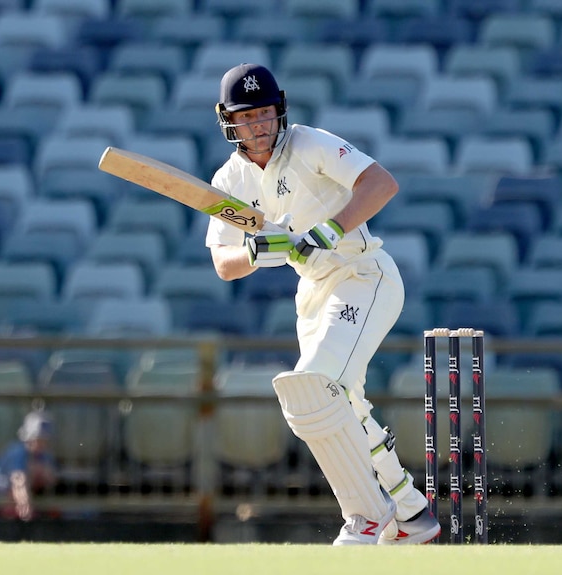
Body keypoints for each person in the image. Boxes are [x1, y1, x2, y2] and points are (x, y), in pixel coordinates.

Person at [205, 63, 440, 546]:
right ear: (229, 121)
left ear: (280, 111)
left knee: (314, 386)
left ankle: (368, 519)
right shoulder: (229, 179)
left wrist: (329, 229)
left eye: (266, 114)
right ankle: (413, 513)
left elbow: (381, 184)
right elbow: (224, 264)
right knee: (341, 401)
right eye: (247, 117)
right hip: (313, 292)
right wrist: (253, 251)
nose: (259, 126)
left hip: (362, 274)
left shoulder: (309, 143)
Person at [0, 410, 57, 521]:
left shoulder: (44, 455)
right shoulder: (18, 452)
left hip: (24, 491)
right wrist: (25, 508)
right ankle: (11, 516)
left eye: (44, 440)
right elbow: (18, 482)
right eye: (38, 439)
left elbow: (51, 479)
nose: (41, 444)